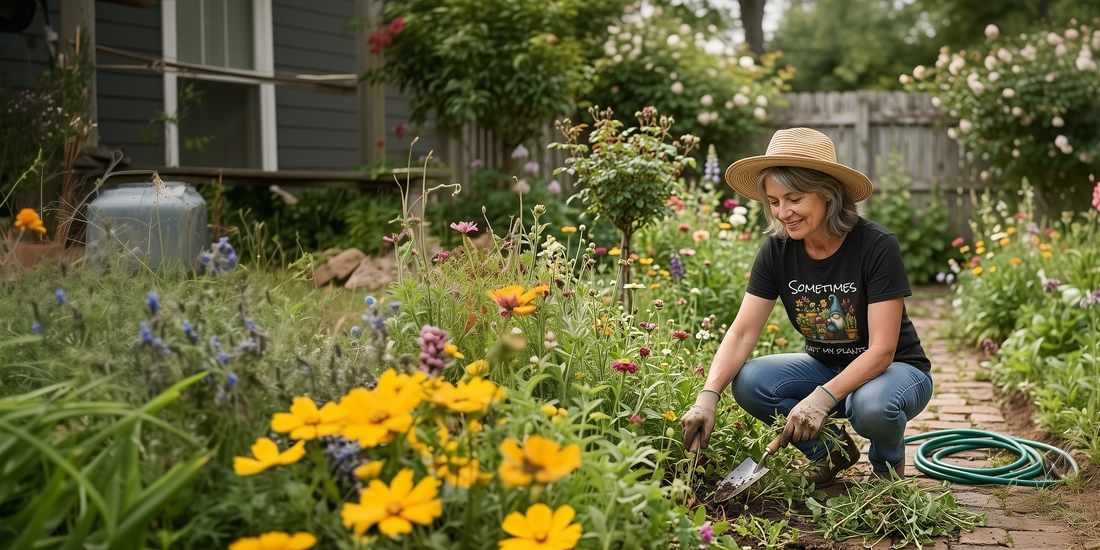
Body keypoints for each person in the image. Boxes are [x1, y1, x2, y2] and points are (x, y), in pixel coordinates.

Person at [679, 127, 933, 486]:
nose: (783, 212)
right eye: (773, 201)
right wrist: (708, 395)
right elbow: (741, 332)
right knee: (750, 382)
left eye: (794, 198)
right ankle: (831, 453)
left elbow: (882, 350)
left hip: (894, 371)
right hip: (824, 367)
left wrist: (823, 397)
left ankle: (886, 472)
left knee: (871, 407)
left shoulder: (876, 245)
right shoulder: (777, 252)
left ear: (827, 195)